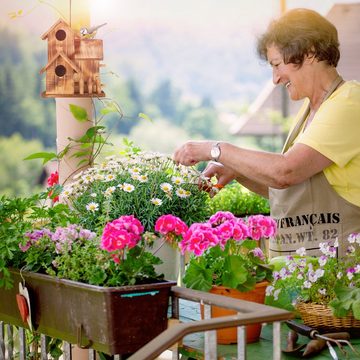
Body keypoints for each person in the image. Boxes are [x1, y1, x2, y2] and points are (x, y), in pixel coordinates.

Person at [173, 8, 360, 258]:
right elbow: (292, 194)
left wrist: (215, 149)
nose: (275, 79)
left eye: (277, 65)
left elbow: (286, 171)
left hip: (341, 280)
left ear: (310, 53)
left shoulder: (348, 103)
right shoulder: (312, 109)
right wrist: (237, 169)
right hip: (305, 276)